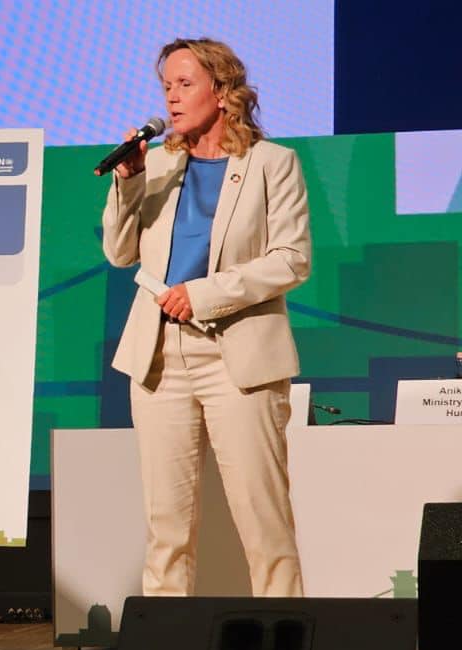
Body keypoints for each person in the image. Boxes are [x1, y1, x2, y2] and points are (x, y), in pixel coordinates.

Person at [102, 38, 311, 598]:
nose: (171, 97)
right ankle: (165, 642)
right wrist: (128, 181)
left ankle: (286, 635)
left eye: (184, 84)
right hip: (159, 356)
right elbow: (119, 253)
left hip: (237, 355)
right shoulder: (157, 164)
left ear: (221, 92)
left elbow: (291, 259)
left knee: (263, 519)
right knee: (165, 525)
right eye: (166, 86)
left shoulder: (273, 164)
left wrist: (204, 294)